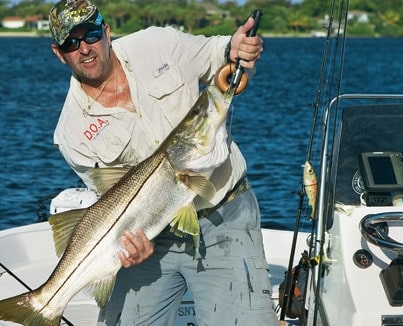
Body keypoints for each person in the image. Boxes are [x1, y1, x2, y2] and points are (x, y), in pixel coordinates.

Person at [49, 0, 276, 325]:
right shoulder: (71, 133)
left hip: (224, 215)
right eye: (71, 43)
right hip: (150, 238)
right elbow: (112, 202)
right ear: (59, 53)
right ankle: (47, 307)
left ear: (107, 32)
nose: (84, 48)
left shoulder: (157, 45)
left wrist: (236, 48)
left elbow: (219, 53)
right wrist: (128, 249)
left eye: (91, 35)